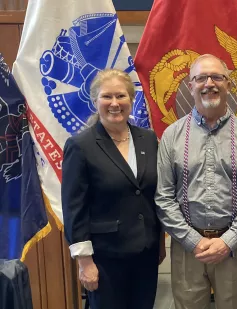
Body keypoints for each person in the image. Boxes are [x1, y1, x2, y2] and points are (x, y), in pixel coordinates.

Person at [155, 54, 237, 309]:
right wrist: (194, 241)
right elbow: (163, 197)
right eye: (201, 78)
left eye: (217, 77)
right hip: (187, 249)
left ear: (228, 84)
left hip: (233, 248)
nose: (209, 83)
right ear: (190, 85)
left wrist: (228, 241)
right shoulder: (172, 135)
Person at [62, 69, 165, 309]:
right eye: (107, 97)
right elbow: (73, 207)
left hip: (146, 254)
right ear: (95, 101)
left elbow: (152, 196)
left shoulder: (148, 139)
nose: (115, 103)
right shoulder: (80, 145)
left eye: (121, 96)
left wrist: (160, 242)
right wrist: (85, 262)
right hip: (105, 259)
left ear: (131, 100)